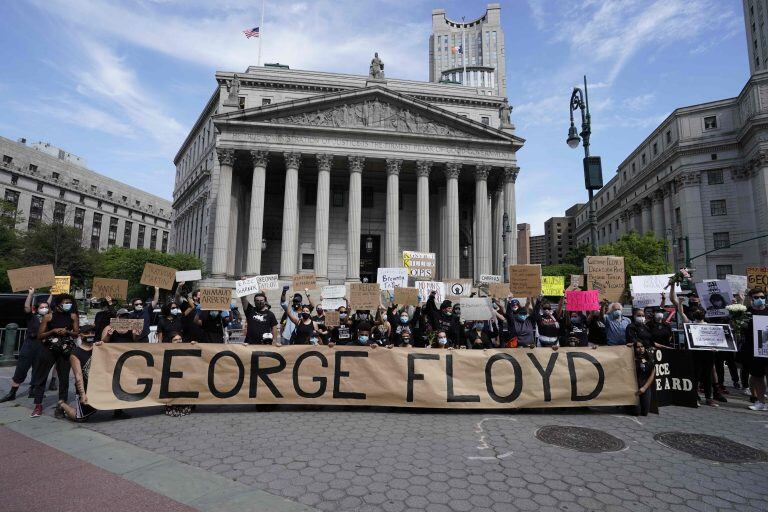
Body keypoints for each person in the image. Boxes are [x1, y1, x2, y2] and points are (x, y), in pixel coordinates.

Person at [671, 286, 725, 406]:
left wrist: (716, 346)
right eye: (696, 312)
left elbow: (716, 338)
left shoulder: (709, 325)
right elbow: (681, 312)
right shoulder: (690, 324)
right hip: (695, 354)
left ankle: (709, 397)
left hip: (708, 353)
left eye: (700, 312)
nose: (699, 313)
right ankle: (694, 396)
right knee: (695, 375)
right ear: (694, 314)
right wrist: (680, 303)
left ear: (704, 313)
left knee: (707, 376)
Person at [30, 294, 80, 418]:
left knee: (64, 378)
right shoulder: (48, 317)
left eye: (70, 302)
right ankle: (38, 405)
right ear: (58, 304)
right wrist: (53, 331)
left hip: (64, 350)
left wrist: (67, 332)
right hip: (48, 350)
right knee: (42, 376)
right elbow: (40, 335)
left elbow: (76, 333)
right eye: (65, 302)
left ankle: (61, 404)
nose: (68, 305)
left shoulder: (73, 316)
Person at [0, 288, 52, 403]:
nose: (44, 309)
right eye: (41, 307)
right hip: (30, 344)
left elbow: (49, 303)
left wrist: (52, 294)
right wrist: (30, 294)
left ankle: (33, 390)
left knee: (38, 369)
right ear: (36, 309)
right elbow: (27, 307)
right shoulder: (32, 317)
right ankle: (12, 392)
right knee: (21, 368)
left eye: (46, 307)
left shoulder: (48, 319)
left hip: (42, 345)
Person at [740, 288, 768, 410]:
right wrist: (740, 304)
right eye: (756, 298)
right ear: (751, 299)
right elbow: (738, 326)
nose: (759, 299)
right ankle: (761, 402)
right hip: (754, 350)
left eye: (762, 297)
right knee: (757, 377)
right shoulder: (746, 313)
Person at [634, 340, 656, 416]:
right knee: (636, 412)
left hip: (645, 387)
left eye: (642, 346)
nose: (641, 349)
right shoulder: (631, 358)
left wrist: (644, 388)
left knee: (644, 412)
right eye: (638, 347)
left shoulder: (649, 358)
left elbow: (652, 374)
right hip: (634, 388)